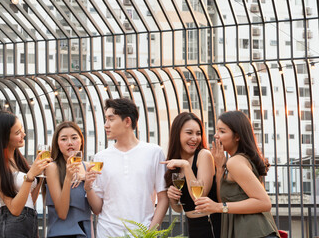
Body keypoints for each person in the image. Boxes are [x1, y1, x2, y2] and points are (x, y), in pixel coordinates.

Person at [84, 98, 169, 238]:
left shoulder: (154, 152)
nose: (106, 125)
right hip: (107, 234)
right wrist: (88, 187)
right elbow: (97, 208)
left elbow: (163, 197)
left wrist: (150, 233)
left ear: (127, 121)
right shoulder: (101, 157)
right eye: (105, 120)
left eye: (111, 119)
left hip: (142, 234)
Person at [195, 110, 280, 238]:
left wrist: (217, 207)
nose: (216, 136)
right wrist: (219, 168)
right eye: (217, 130)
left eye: (222, 131)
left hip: (254, 232)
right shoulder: (235, 161)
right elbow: (224, 199)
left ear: (237, 136)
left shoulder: (235, 162)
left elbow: (264, 203)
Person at [0, 110, 51, 238]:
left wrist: (39, 175)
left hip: (29, 224)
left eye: (22, 130)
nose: (23, 134)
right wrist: (30, 176)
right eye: (18, 133)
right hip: (13, 227)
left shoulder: (18, 161)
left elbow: (29, 201)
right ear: (4, 138)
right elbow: (15, 209)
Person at [161, 112, 221, 237]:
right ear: (177, 135)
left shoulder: (203, 155)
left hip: (210, 225)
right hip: (192, 226)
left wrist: (186, 166)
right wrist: (173, 198)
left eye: (198, 134)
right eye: (189, 133)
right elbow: (179, 209)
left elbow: (198, 197)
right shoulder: (176, 163)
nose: (195, 138)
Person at [44, 121, 92, 238]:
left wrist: (88, 184)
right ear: (57, 144)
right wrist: (68, 177)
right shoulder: (52, 168)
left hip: (85, 233)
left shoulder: (88, 167)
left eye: (74, 138)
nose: (70, 143)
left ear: (81, 141)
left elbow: (95, 210)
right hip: (60, 234)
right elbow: (62, 213)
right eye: (64, 139)